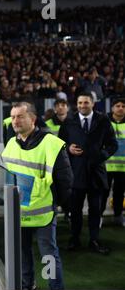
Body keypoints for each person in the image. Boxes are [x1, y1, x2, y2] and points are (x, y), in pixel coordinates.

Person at [1, 102, 73, 290]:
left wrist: (57, 204)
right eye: (13, 117)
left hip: (43, 214)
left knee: (48, 256)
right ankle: (27, 285)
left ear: (32, 119)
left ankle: (55, 288)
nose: (15, 121)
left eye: (20, 116)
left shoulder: (51, 143)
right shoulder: (11, 143)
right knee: (23, 254)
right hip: (18, 213)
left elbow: (65, 179)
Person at [59, 92, 118, 254]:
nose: (82, 106)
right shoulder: (69, 121)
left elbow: (113, 144)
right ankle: (74, 239)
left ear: (93, 104)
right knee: (75, 210)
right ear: (76, 105)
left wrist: (101, 155)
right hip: (76, 172)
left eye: (85, 103)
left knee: (95, 209)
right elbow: (60, 142)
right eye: (79, 103)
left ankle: (94, 240)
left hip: (96, 173)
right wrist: (68, 148)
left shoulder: (103, 120)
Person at [101, 98, 125, 226]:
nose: (120, 108)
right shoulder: (104, 122)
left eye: (123, 106)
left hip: (123, 167)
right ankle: (99, 216)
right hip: (106, 165)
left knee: (119, 193)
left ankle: (118, 216)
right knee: (103, 192)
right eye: (118, 105)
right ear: (112, 108)